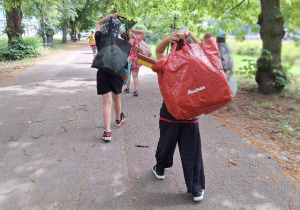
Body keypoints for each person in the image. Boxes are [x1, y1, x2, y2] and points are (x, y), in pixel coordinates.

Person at [152, 27, 205, 202]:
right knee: (192, 151)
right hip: (191, 114)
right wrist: (190, 34)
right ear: (190, 46)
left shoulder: (168, 61)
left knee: (165, 145)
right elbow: (203, 48)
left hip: (169, 113)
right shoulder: (198, 62)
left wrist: (168, 38)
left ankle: (160, 169)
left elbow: (158, 51)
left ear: (174, 46)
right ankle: (196, 188)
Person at [94, 13, 125, 141]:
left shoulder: (100, 38)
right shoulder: (122, 41)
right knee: (117, 98)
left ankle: (107, 132)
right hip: (117, 72)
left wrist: (109, 16)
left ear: (105, 29)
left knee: (107, 103)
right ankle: (118, 120)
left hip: (103, 71)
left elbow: (98, 23)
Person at [123, 29, 145, 96]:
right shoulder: (136, 40)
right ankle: (136, 90)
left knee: (127, 75)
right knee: (135, 76)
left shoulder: (124, 43)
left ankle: (127, 88)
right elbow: (142, 32)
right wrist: (133, 30)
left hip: (128, 60)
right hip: (136, 60)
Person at [216, 31, 238, 96]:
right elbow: (230, 59)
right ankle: (227, 96)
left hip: (218, 69)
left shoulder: (216, 46)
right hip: (226, 69)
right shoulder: (226, 46)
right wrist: (231, 69)